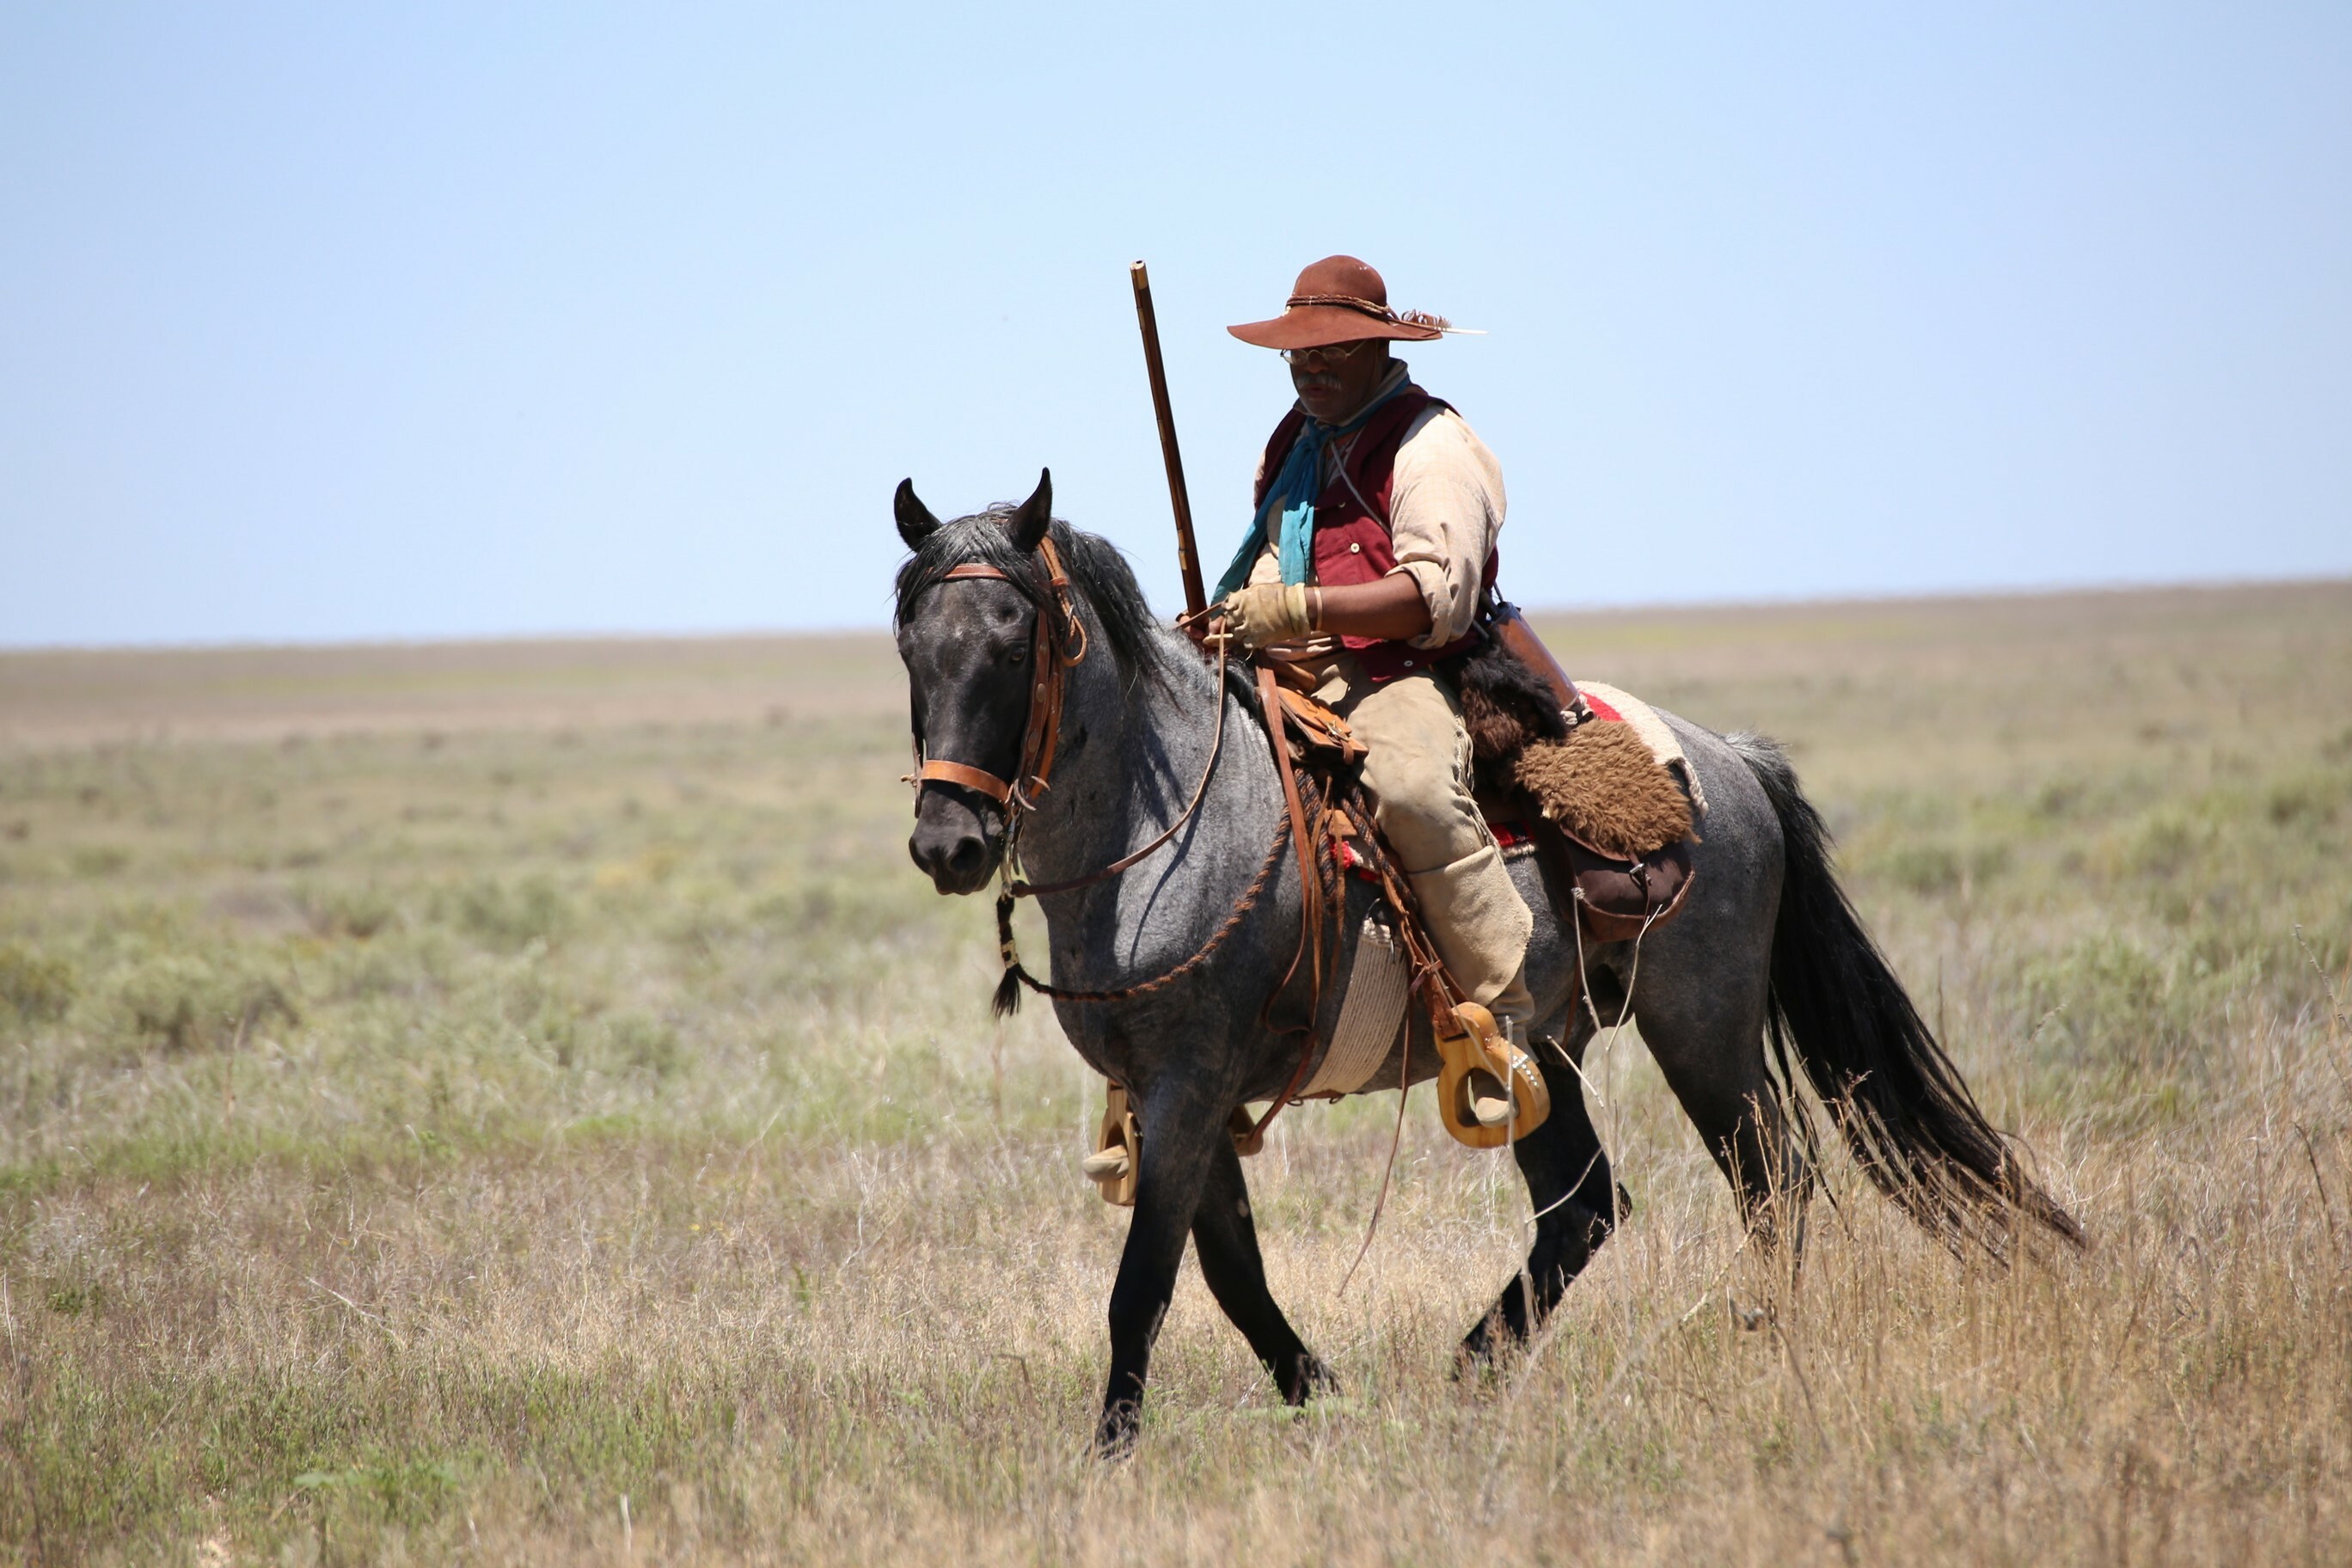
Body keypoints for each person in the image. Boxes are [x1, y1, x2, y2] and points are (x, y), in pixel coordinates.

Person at [1213, 255, 1534, 1103]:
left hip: (1401, 669)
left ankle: (1504, 1025)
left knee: (1413, 791)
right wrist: (1238, 617)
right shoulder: (1292, 441)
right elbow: (1277, 559)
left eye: (1329, 353)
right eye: (1298, 355)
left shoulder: (1431, 446)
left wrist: (1296, 613)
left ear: (1377, 348)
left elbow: (1435, 598)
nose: (1309, 370)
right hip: (1295, 667)